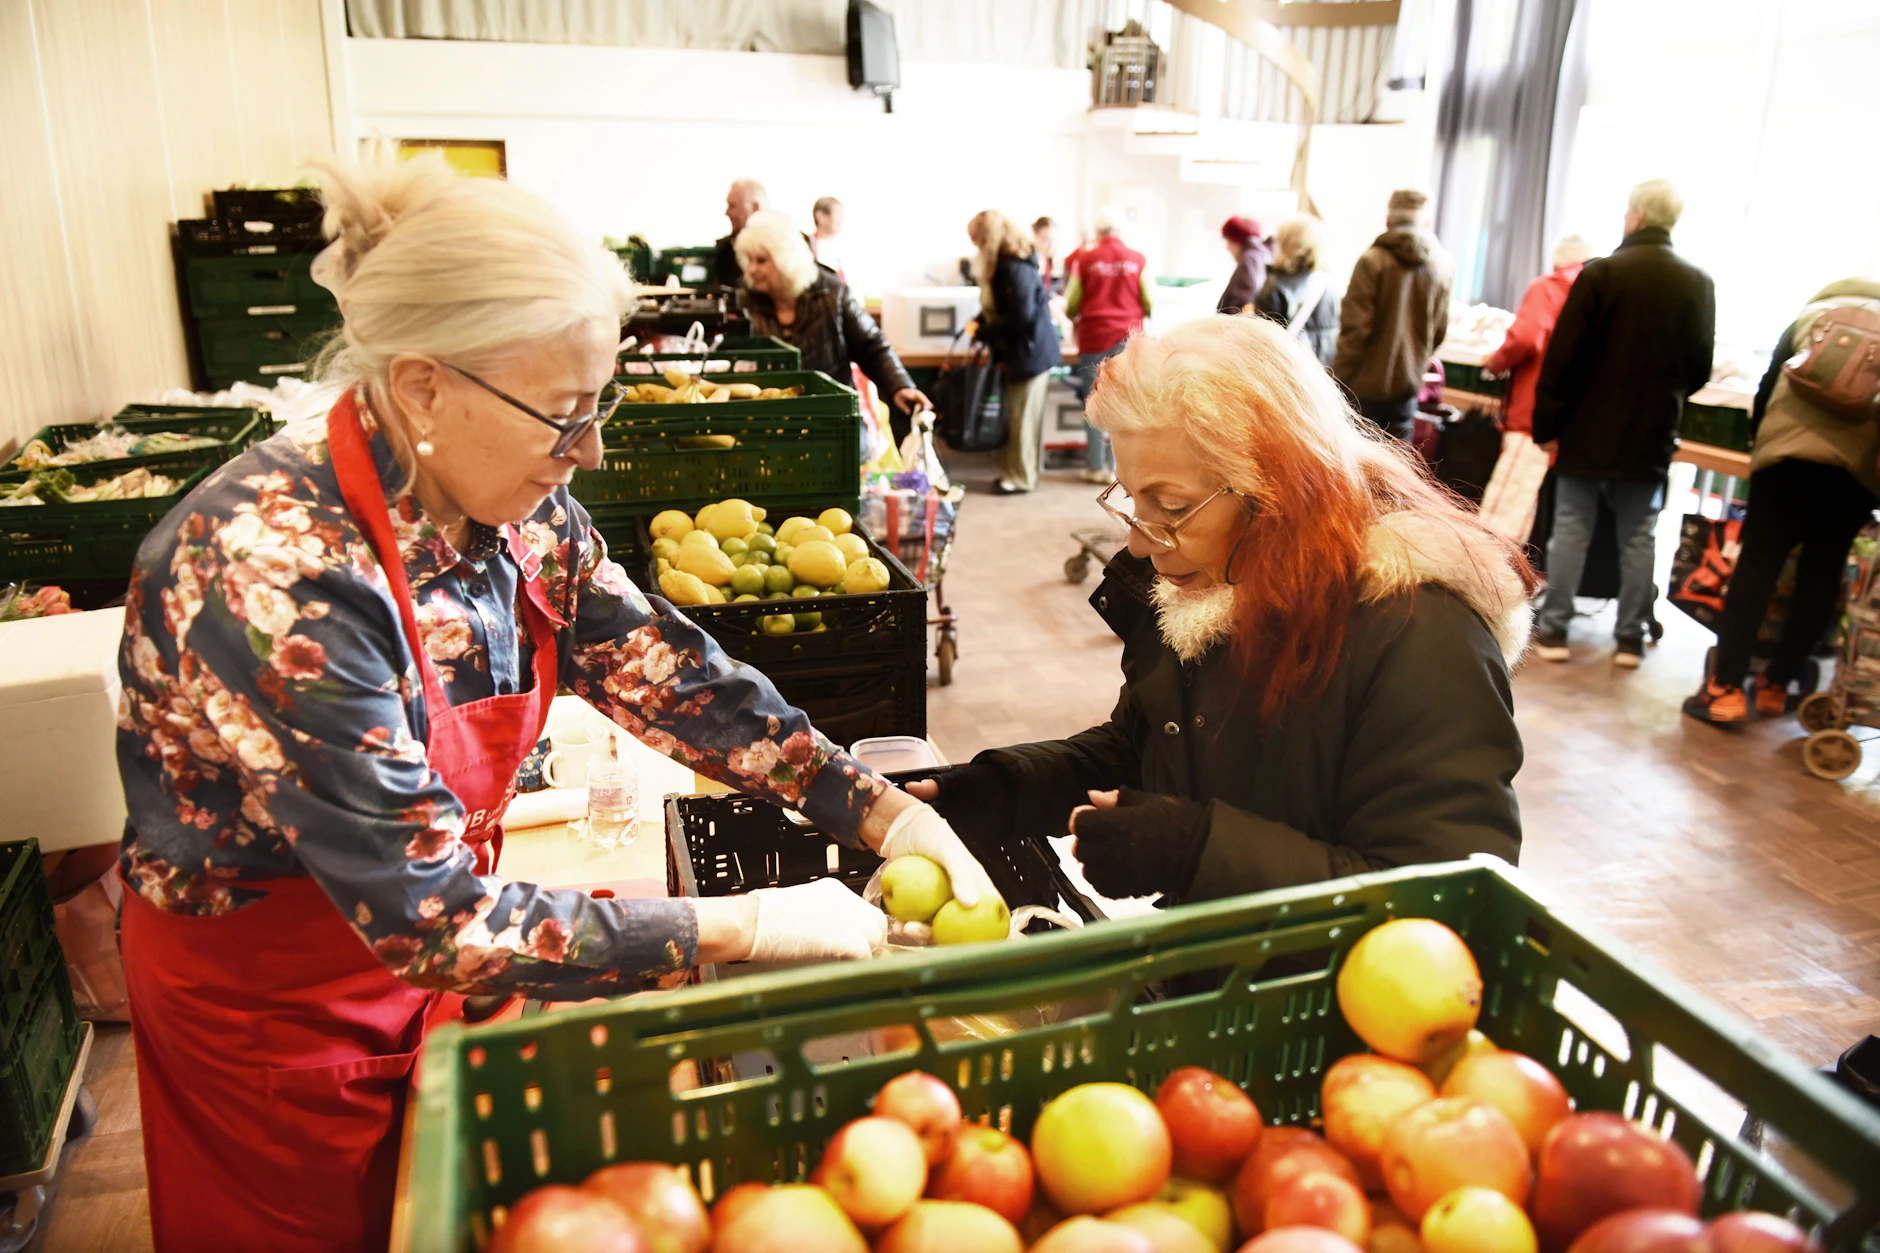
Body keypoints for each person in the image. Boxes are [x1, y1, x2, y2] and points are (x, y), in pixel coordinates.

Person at [113, 155, 993, 1253]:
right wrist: (747, 926)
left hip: (445, 948)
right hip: (279, 1013)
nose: (592, 450)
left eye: (599, 404)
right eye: (562, 414)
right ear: (424, 384)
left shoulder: (525, 511)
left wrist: (876, 808)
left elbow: (666, 672)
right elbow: (430, 916)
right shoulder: (267, 571)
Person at [909, 314, 1531, 900]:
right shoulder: (1212, 591)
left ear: (1281, 490)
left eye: (1173, 506)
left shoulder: (1418, 635)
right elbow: (1149, 746)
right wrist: (1011, 787)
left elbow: (1450, 899)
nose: (1137, 542)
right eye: (1132, 496)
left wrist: (1198, 850)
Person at [1530, 180, 1716, 668]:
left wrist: (1547, 424)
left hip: (1587, 429)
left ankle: (1553, 631)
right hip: (1650, 432)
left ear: (1634, 215)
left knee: (1570, 529)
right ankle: (1630, 637)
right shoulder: (1697, 283)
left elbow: (1562, 358)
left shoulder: (1601, 275)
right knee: (1641, 535)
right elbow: (1697, 369)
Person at [1683, 277, 1880, 724]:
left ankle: (1726, 688)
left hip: (1786, 461)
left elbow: (1768, 388)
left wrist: (1762, 447)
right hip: (1854, 472)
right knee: (1821, 574)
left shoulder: (1809, 319)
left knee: (1757, 565)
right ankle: (1777, 685)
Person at [735, 210, 930, 435]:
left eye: (761, 261)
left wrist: (900, 385)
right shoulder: (744, 301)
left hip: (833, 416)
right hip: (768, 419)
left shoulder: (833, 294)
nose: (751, 270)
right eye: (748, 260)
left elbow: (872, 346)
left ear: (785, 259)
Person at [1332, 190, 1455, 443]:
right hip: (1406, 389)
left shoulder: (1372, 261)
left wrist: (1336, 383)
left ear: (1389, 220)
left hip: (1361, 390)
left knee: (1354, 471)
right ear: (1427, 221)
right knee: (1395, 469)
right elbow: (1439, 331)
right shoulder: (1442, 265)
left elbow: (1355, 332)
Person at [969, 210, 1063, 495]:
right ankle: (1019, 473)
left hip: (1029, 353)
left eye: (976, 238)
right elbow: (1010, 309)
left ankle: (1019, 478)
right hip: (1028, 351)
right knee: (1021, 417)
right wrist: (981, 322)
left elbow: (1019, 315)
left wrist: (984, 331)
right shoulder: (1014, 263)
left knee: (1022, 419)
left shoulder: (1011, 267)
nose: (974, 245)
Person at [1065, 208, 1153, 483]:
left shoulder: (1085, 259)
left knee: (1094, 400)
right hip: (1128, 339)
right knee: (1125, 402)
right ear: (1120, 232)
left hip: (1093, 337)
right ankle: (1119, 471)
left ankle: (1094, 466)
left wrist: (1073, 316)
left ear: (1098, 232)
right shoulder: (1138, 260)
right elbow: (1149, 299)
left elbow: (1072, 302)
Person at [1483, 236, 1593, 435]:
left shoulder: (1547, 287)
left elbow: (1525, 338)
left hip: (1532, 407)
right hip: (1571, 414)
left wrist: (1496, 363)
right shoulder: (1593, 290)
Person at [1253, 214, 1340, 369]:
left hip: (1293, 374)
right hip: (1326, 375)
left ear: (1285, 244)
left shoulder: (1275, 287)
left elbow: (1262, 345)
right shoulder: (1331, 285)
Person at [712, 177, 767, 289]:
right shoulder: (725, 250)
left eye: (733, 206)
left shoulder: (791, 244)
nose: (727, 212)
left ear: (755, 208)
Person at [1217, 215, 1271, 315]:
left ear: (1237, 240)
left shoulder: (1249, 261)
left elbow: (1241, 303)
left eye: (1229, 241)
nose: (1227, 248)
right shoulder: (1261, 254)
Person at [811, 195, 846, 281]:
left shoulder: (842, 248)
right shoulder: (806, 247)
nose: (842, 219)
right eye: (838, 213)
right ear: (820, 216)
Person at [1033, 215, 1062, 293]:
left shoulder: (1054, 262)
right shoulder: (1031, 265)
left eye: (1053, 240)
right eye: (1046, 239)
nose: (1051, 245)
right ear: (1035, 237)